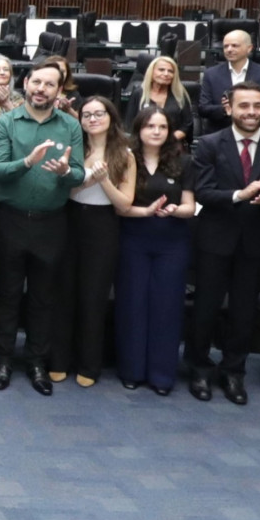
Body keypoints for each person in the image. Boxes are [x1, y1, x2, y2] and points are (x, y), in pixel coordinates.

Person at [185, 81, 260, 405]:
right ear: (229, 107)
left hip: (257, 242)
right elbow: (203, 192)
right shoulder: (208, 144)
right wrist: (240, 195)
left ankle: (234, 372)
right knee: (205, 308)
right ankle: (199, 368)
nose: (252, 112)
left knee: (244, 313)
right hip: (214, 239)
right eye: (244, 106)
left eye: (258, 106)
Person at [0, 64, 84, 394]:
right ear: (26, 84)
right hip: (10, 220)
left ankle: (37, 363)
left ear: (59, 91)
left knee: (43, 298)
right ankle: (3, 360)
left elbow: (80, 174)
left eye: (50, 84)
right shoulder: (6, 121)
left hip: (52, 224)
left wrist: (66, 172)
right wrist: (27, 162)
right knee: (8, 295)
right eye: (37, 82)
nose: (42, 88)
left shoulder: (70, 125)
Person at [106, 105, 199, 396]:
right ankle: (132, 370)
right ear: (139, 130)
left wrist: (174, 209)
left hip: (172, 242)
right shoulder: (126, 159)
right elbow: (119, 206)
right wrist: (145, 211)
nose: (156, 132)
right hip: (133, 239)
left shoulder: (183, 162)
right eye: (150, 127)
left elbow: (190, 207)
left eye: (162, 127)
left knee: (167, 308)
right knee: (132, 305)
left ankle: (161, 376)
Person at [50, 95, 129, 388]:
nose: (92, 119)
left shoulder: (124, 154)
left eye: (99, 114)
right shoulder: (74, 149)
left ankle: (89, 364)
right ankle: (58, 360)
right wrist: (86, 180)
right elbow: (64, 191)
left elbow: (124, 204)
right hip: (69, 220)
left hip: (103, 225)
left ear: (111, 118)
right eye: (86, 115)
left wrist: (104, 180)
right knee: (64, 293)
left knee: (93, 297)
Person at [196, 28, 260, 134]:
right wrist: (226, 109)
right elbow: (203, 109)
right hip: (219, 133)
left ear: (249, 48)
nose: (229, 49)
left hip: (254, 132)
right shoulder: (211, 74)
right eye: (226, 46)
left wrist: (252, 108)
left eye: (234, 45)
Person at [137, 54, 193, 148]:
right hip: (144, 145)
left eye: (170, 71)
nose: (166, 74)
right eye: (161, 70)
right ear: (152, 72)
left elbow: (187, 125)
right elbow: (130, 124)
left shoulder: (180, 95)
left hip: (173, 145)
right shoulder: (139, 93)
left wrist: (168, 140)